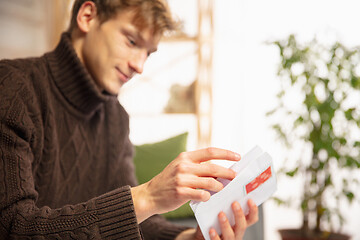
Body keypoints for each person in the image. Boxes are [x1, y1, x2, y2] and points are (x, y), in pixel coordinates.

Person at [0, 0, 258, 239]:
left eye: (148, 53)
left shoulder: (116, 118)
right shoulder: (12, 88)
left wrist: (189, 237)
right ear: (88, 17)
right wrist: (148, 195)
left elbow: (136, 221)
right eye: (132, 42)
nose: (140, 66)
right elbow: (12, 227)